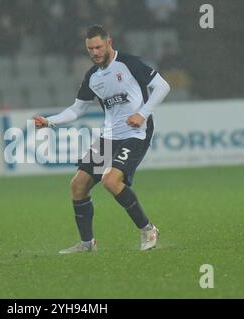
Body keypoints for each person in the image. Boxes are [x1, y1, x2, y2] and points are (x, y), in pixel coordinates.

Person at [33, 25, 170, 253]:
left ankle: (148, 229)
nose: (95, 52)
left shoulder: (129, 63)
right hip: (110, 137)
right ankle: (87, 243)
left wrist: (142, 114)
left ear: (109, 43)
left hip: (136, 134)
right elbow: (77, 110)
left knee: (111, 181)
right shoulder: (92, 77)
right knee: (78, 185)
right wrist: (50, 121)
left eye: (98, 47)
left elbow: (162, 86)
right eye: (90, 49)